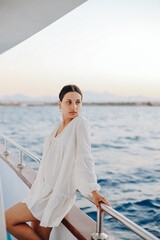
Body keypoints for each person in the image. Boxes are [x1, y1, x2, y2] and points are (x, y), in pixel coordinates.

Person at [5, 85, 110, 240]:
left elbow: (84, 158)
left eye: (78, 102)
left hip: (55, 195)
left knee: (7, 219)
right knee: (40, 235)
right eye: (69, 102)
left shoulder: (80, 123)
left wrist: (93, 191)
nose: (74, 107)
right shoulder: (58, 126)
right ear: (60, 104)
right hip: (42, 190)